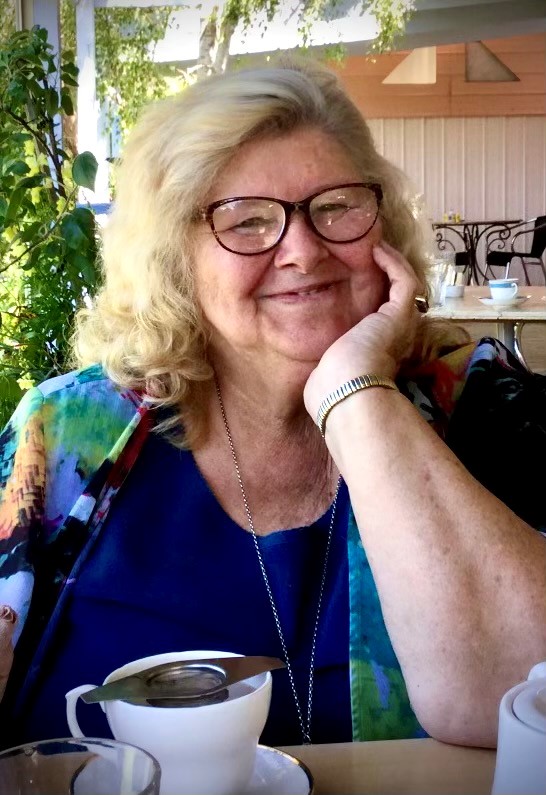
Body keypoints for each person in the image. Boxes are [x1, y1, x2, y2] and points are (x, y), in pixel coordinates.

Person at [0, 56, 545, 751]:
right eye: (248, 221)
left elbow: (521, 698)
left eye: (336, 206)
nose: (303, 251)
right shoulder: (65, 434)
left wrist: (356, 392)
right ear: (177, 259)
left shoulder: (479, 401)